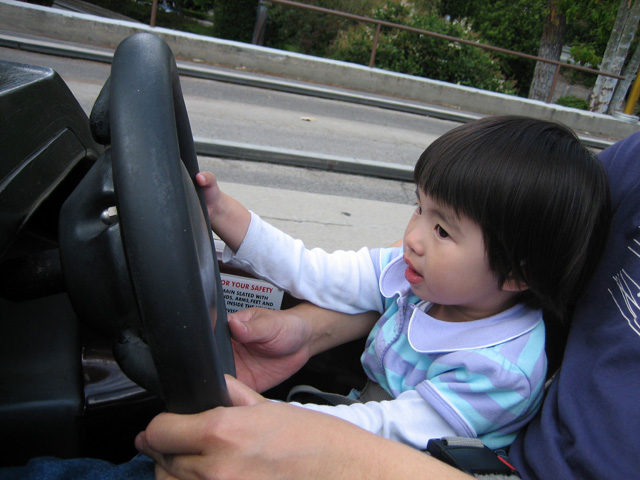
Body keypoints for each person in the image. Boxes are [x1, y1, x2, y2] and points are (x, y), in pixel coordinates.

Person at [135, 128, 640, 480]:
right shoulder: (423, 275)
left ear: (517, 272)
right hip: (359, 426)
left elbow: (390, 429)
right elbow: (315, 270)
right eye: (419, 207)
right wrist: (225, 215)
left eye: (442, 229)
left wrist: (276, 423)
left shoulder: (499, 370)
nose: (413, 237)